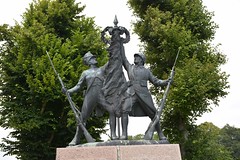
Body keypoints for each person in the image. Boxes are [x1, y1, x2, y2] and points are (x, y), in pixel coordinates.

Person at [64, 51, 114, 145]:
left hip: (100, 95)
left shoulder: (101, 69)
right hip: (90, 96)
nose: (94, 59)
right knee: (82, 119)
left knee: (112, 110)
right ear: (88, 61)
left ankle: (114, 135)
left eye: (94, 58)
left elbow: (110, 63)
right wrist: (68, 91)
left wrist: (112, 53)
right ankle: (76, 139)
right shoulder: (85, 73)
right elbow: (78, 86)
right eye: (92, 58)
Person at [119, 50, 171, 140]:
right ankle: (124, 134)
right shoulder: (130, 67)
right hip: (132, 93)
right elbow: (123, 58)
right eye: (135, 57)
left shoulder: (147, 71)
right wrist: (120, 44)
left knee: (154, 113)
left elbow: (156, 81)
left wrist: (166, 81)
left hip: (144, 94)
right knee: (124, 110)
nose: (135, 58)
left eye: (137, 57)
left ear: (142, 60)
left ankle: (160, 134)